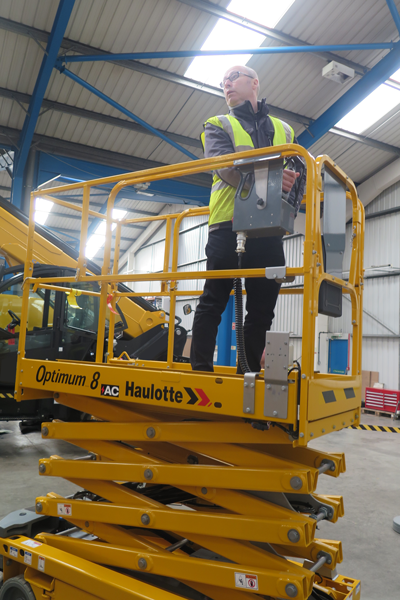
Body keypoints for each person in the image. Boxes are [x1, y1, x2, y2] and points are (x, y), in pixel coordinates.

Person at [190, 65, 306, 373]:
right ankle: (200, 370)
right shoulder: (217, 124)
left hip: (269, 228)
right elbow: (223, 166)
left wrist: (290, 208)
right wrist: (270, 181)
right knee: (214, 300)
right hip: (227, 224)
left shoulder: (285, 130)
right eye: (222, 82)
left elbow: (297, 173)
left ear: (254, 82)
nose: (225, 84)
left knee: (262, 306)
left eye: (232, 77)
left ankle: (249, 373)